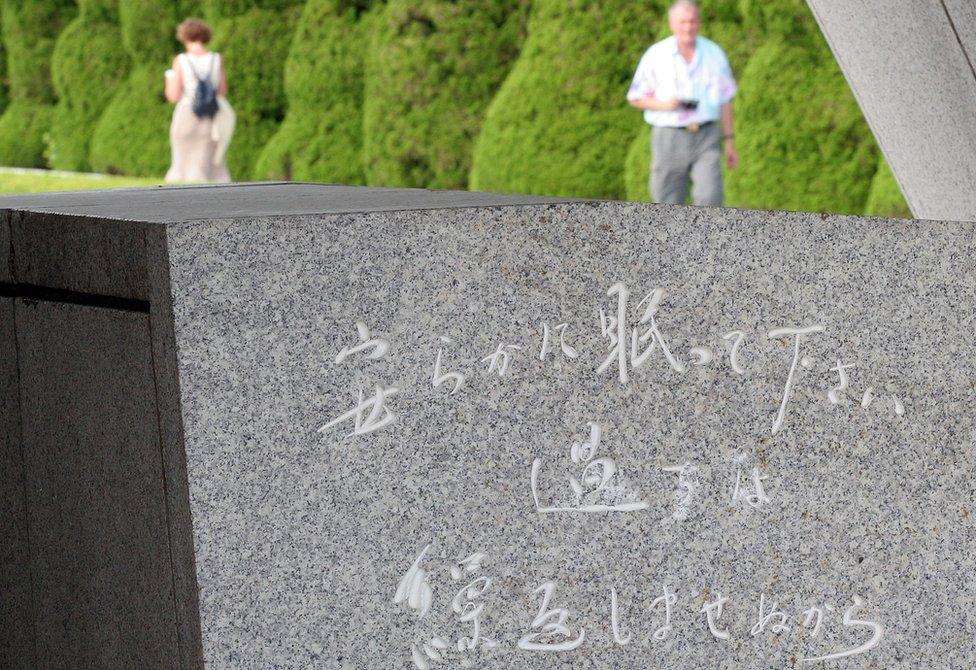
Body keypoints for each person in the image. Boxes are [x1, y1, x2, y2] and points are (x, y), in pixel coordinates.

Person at [627, 0, 738, 206]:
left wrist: (730, 140)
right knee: (667, 201)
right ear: (672, 24)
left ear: (699, 23)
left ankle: (707, 238)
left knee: (710, 197)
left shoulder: (714, 54)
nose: (688, 27)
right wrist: (666, 105)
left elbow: (726, 99)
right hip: (669, 136)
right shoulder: (656, 55)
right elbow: (635, 97)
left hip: (706, 136)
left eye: (692, 21)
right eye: (682, 22)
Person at [164, 18, 234, 183]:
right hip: (210, 116)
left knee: (182, 164)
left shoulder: (181, 60)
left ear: (184, 37)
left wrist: (169, 78)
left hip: (187, 113)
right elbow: (222, 91)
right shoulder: (217, 59)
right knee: (207, 163)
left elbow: (173, 95)